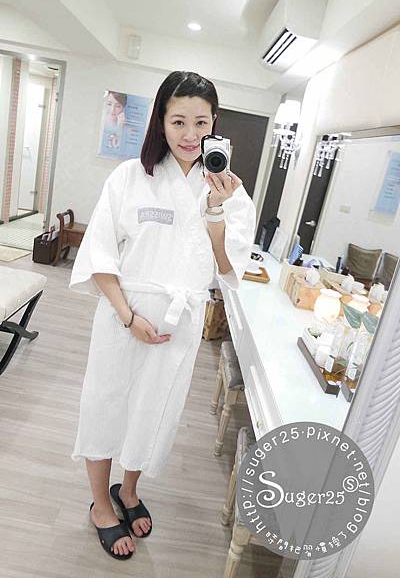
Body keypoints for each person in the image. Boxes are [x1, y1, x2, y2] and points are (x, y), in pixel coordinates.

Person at [69, 70, 256, 560]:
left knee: (153, 410)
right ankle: (101, 505)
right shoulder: (129, 177)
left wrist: (216, 210)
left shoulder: (232, 193)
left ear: (215, 123)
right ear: (161, 121)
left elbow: (227, 268)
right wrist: (128, 317)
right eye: (178, 121)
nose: (190, 134)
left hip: (180, 322)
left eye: (201, 122)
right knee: (106, 404)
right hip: (123, 317)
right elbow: (98, 255)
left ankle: (128, 490)